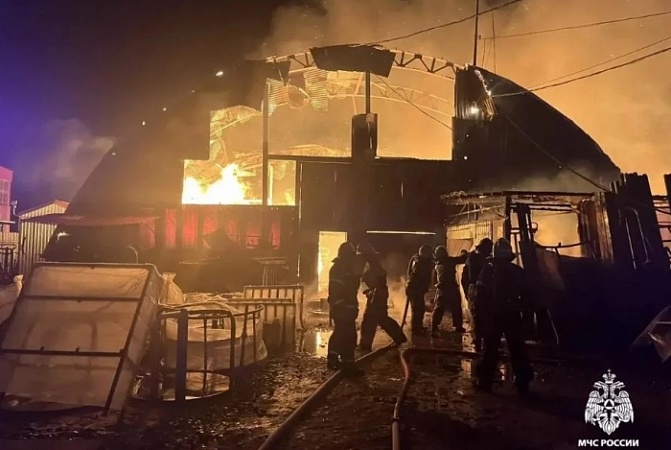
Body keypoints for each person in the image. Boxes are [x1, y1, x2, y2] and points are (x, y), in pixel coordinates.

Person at [473, 238, 534, 395]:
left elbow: (479, 297)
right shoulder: (517, 271)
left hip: (493, 316)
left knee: (490, 349)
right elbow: (528, 296)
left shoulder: (488, 271)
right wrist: (527, 318)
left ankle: (485, 382)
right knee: (517, 348)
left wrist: (479, 320)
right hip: (512, 315)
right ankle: (523, 383)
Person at [358, 243, 407, 351]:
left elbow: (372, 278)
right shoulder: (373, 262)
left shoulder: (371, 264)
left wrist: (372, 290)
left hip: (377, 294)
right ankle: (399, 337)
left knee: (369, 320)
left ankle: (365, 345)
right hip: (379, 293)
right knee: (382, 318)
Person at [327, 242, 363, 374]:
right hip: (342, 308)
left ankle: (348, 362)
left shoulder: (347, 268)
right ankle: (333, 359)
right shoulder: (338, 269)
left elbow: (352, 289)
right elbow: (337, 290)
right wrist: (341, 306)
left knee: (349, 335)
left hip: (348, 308)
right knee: (341, 333)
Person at [461, 238, 494, 351]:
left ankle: (480, 341)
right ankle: (478, 343)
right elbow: (470, 277)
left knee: (480, 317)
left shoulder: (476, 258)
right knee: (478, 317)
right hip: (476, 291)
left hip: (477, 292)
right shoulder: (475, 259)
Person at [430, 246, 468, 337]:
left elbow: (434, 279)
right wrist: (464, 252)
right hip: (451, 288)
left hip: (442, 288)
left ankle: (434, 327)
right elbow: (462, 259)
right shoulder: (449, 261)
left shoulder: (437, 264)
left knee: (439, 308)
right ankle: (458, 326)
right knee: (456, 307)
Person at [405, 244, 434, 335]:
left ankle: (418, 326)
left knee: (420, 309)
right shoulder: (419, 263)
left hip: (416, 289)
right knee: (417, 309)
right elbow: (422, 274)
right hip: (414, 289)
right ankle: (415, 330)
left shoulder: (418, 260)